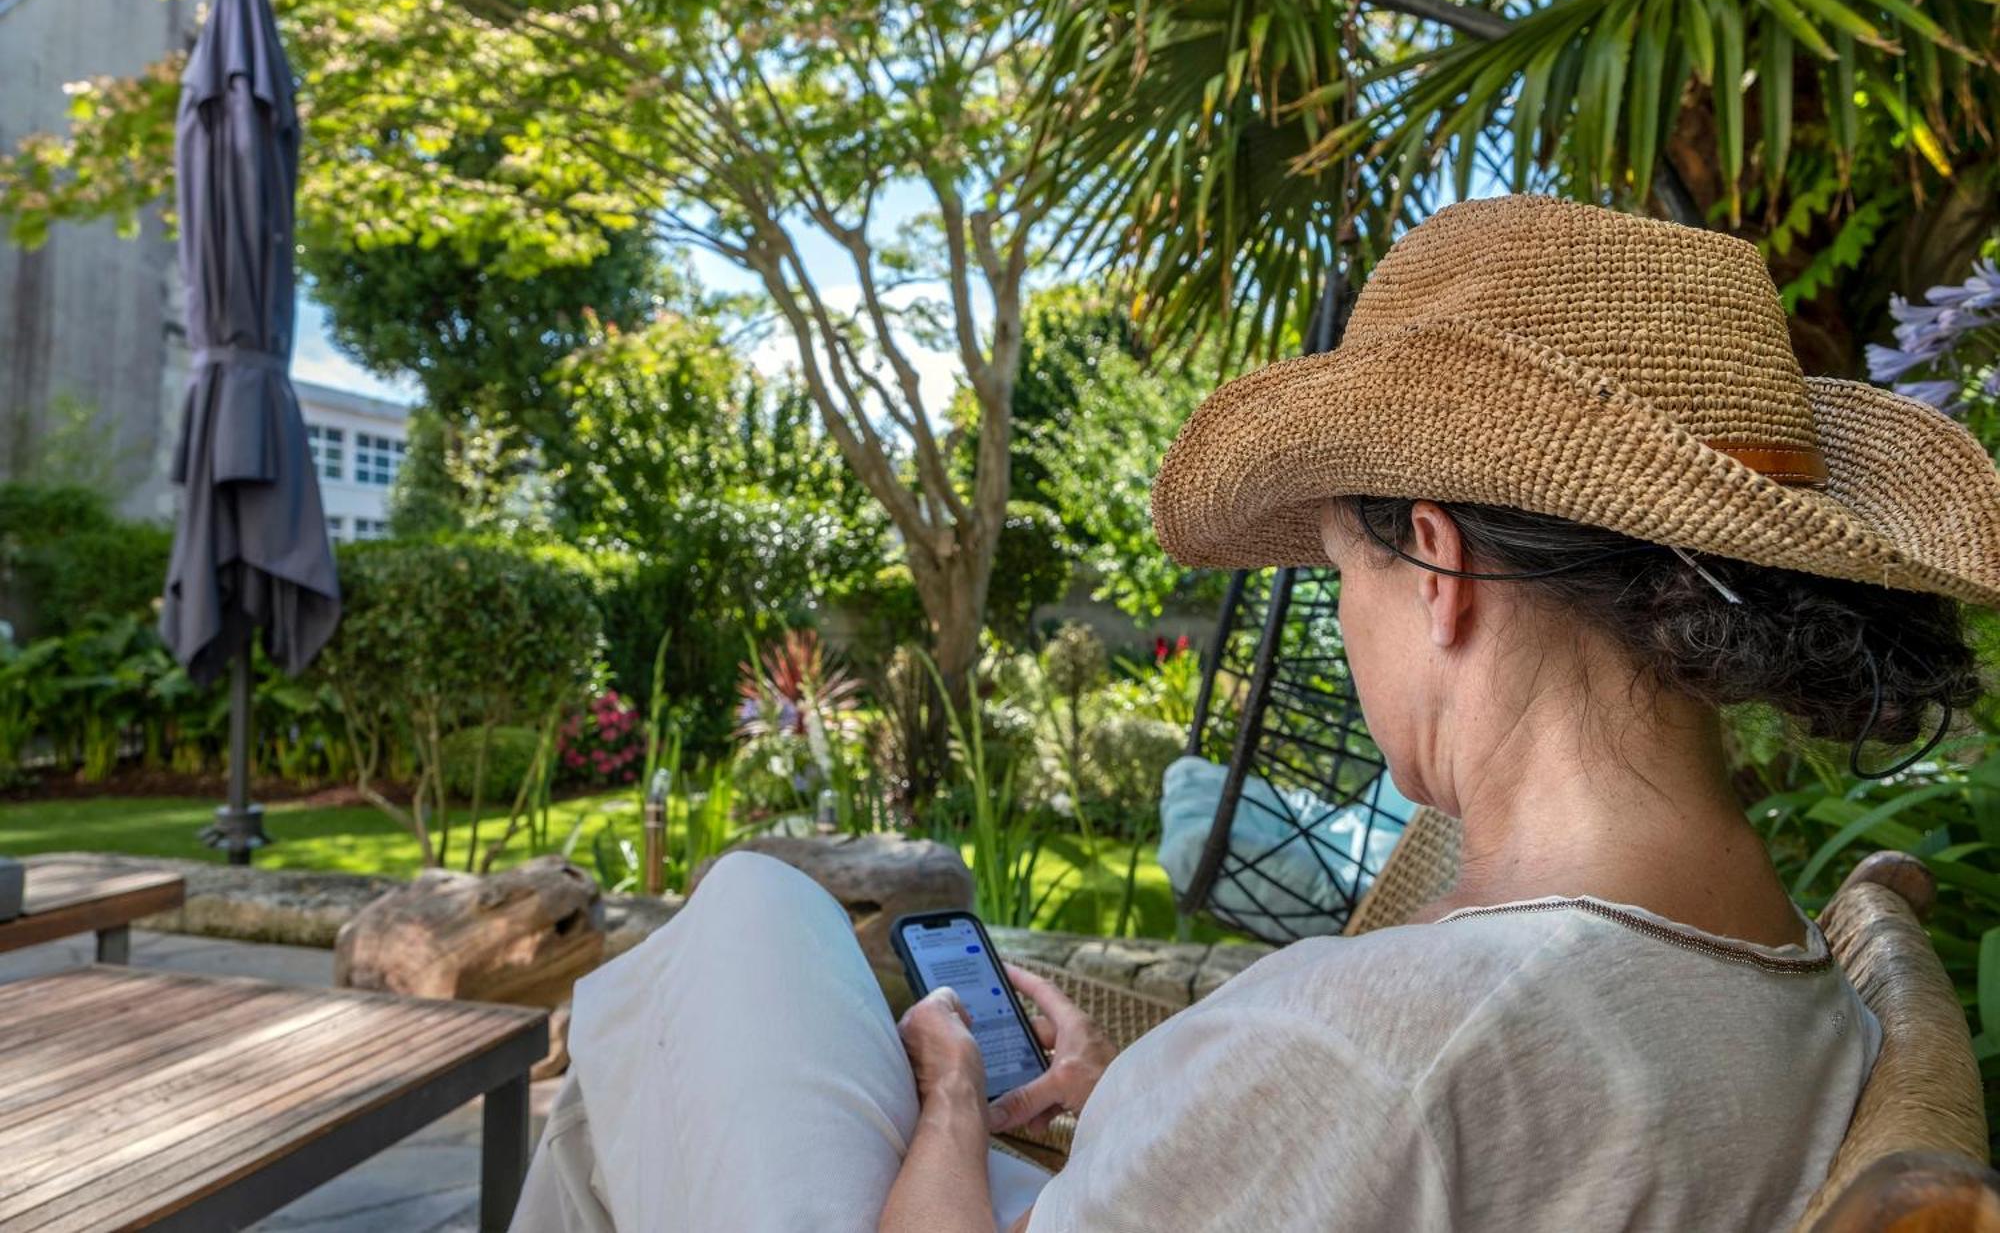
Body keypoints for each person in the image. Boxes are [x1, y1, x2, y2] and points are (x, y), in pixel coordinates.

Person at [511, 195, 2000, 1232]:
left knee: (734, 925)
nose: (1349, 627)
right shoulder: (1792, 979)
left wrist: (960, 1096)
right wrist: (1142, 1102)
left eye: (1344, 572)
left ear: (1444, 567)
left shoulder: (1375, 1050)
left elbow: (1380, 1106)